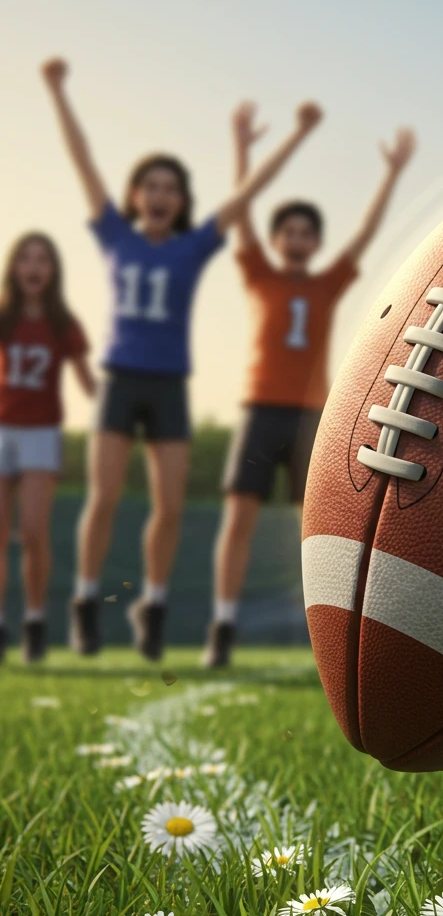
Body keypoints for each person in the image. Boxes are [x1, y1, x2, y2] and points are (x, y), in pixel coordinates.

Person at [41, 57, 323, 662]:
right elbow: (84, 157)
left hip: (168, 384)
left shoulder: (195, 248)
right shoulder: (115, 235)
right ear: (137, 196)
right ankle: (87, 601)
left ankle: (154, 604)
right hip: (121, 378)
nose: (162, 196)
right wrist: (57, 90)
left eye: (172, 188)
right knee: (105, 495)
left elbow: (249, 194)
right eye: (153, 187)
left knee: (169, 506)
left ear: (181, 200)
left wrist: (296, 134)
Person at [202, 103, 415, 667]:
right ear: (276, 240)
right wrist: (243, 147)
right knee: (239, 519)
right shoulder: (260, 274)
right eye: (288, 231)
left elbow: (366, 233)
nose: (297, 238)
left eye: (306, 232)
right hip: (260, 410)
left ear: (315, 242)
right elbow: (242, 211)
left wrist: (391, 172)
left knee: (316, 530)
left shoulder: (325, 285)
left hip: (308, 420)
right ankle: (222, 622)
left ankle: (320, 632)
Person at [0, 233, 95, 662]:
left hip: (42, 433)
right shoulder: (3, 316)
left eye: (42, 259)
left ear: (52, 270)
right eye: (25, 258)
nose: (33, 266)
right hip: (2, 430)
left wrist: (114, 416)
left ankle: (35, 620)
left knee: (34, 532)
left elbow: (87, 381)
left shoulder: (62, 323)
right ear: (13, 268)